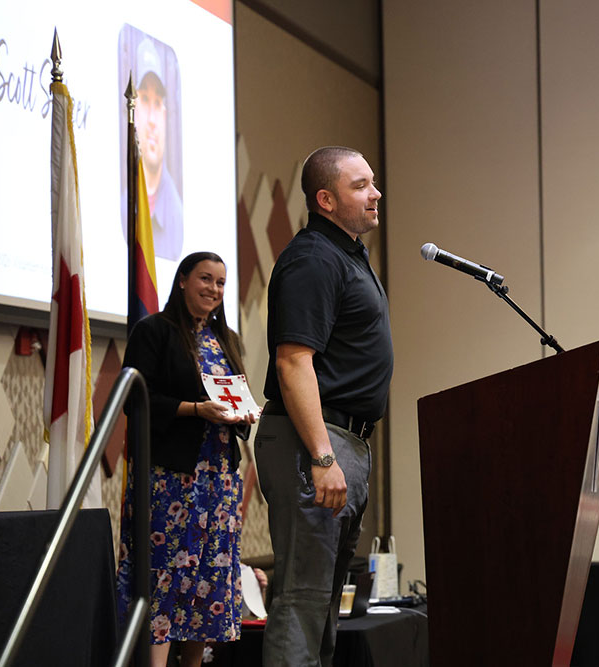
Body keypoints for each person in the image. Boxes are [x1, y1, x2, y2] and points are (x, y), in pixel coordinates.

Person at [256, 145, 392, 667]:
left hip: (342, 439)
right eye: (360, 186)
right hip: (315, 441)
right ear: (326, 199)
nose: (375, 193)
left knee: (323, 602)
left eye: (373, 182)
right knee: (303, 597)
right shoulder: (314, 257)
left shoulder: (347, 253)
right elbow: (293, 362)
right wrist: (322, 455)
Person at [115, 252, 254, 667]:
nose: (213, 289)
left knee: (207, 583)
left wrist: (243, 414)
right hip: (170, 480)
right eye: (205, 279)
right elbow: (134, 400)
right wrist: (195, 409)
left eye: (221, 282)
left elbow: (230, 399)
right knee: (164, 579)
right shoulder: (154, 331)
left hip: (220, 483)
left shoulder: (226, 339)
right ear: (181, 281)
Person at [135, 37, 183, 260]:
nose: (152, 120)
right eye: (144, 99)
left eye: (157, 102)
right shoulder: (125, 204)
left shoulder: (177, 216)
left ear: (165, 114)